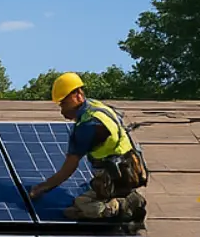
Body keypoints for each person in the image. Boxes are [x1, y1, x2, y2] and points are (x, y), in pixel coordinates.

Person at [23, 72, 147, 225]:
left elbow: (69, 167)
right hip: (131, 170)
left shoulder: (88, 126)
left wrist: (42, 187)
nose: (62, 110)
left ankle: (121, 206)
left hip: (117, 177)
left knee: (80, 206)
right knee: (78, 201)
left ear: (77, 95)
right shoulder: (96, 107)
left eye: (64, 103)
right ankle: (125, 195)